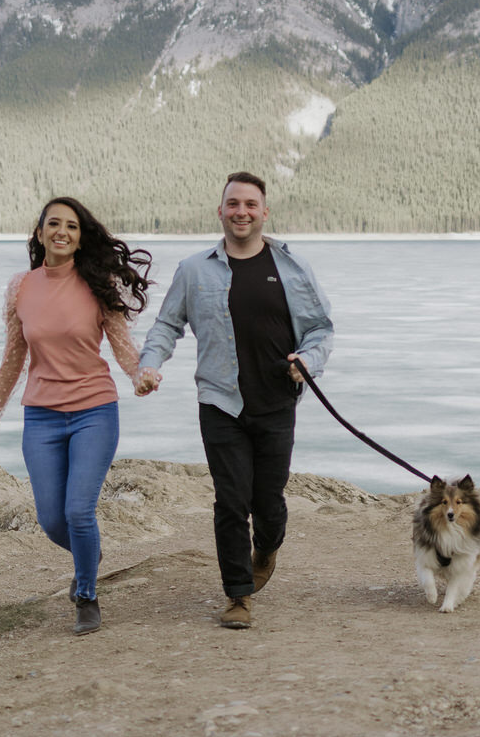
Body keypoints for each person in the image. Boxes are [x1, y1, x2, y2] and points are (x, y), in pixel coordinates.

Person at [135, 172, 333, 630]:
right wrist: (150, 364)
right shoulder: (194, 269)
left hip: (278, 401)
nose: (241, 212)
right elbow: (167, 326)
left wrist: (307, 360)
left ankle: (267, 547)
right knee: (230, 501)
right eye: (232, 204)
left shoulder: (293, 269)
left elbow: (321, 329)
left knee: (269, 502)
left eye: (250, 204)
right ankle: (238, 596)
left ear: (264, 212)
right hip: (219, 403)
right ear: (220, 212)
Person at [0, 198, 157, 635]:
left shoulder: (98, 283)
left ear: (79, 237)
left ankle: (87, 595)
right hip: (41, 418)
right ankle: (88, 555)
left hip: (94, 410)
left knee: (78, 512)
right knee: (52, 520)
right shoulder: (21, 287)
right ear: (39, 234)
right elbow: (12, 359)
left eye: (71, 226)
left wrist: (140, 376)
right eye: (53, 224)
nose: (62, 231)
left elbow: (122, 345)